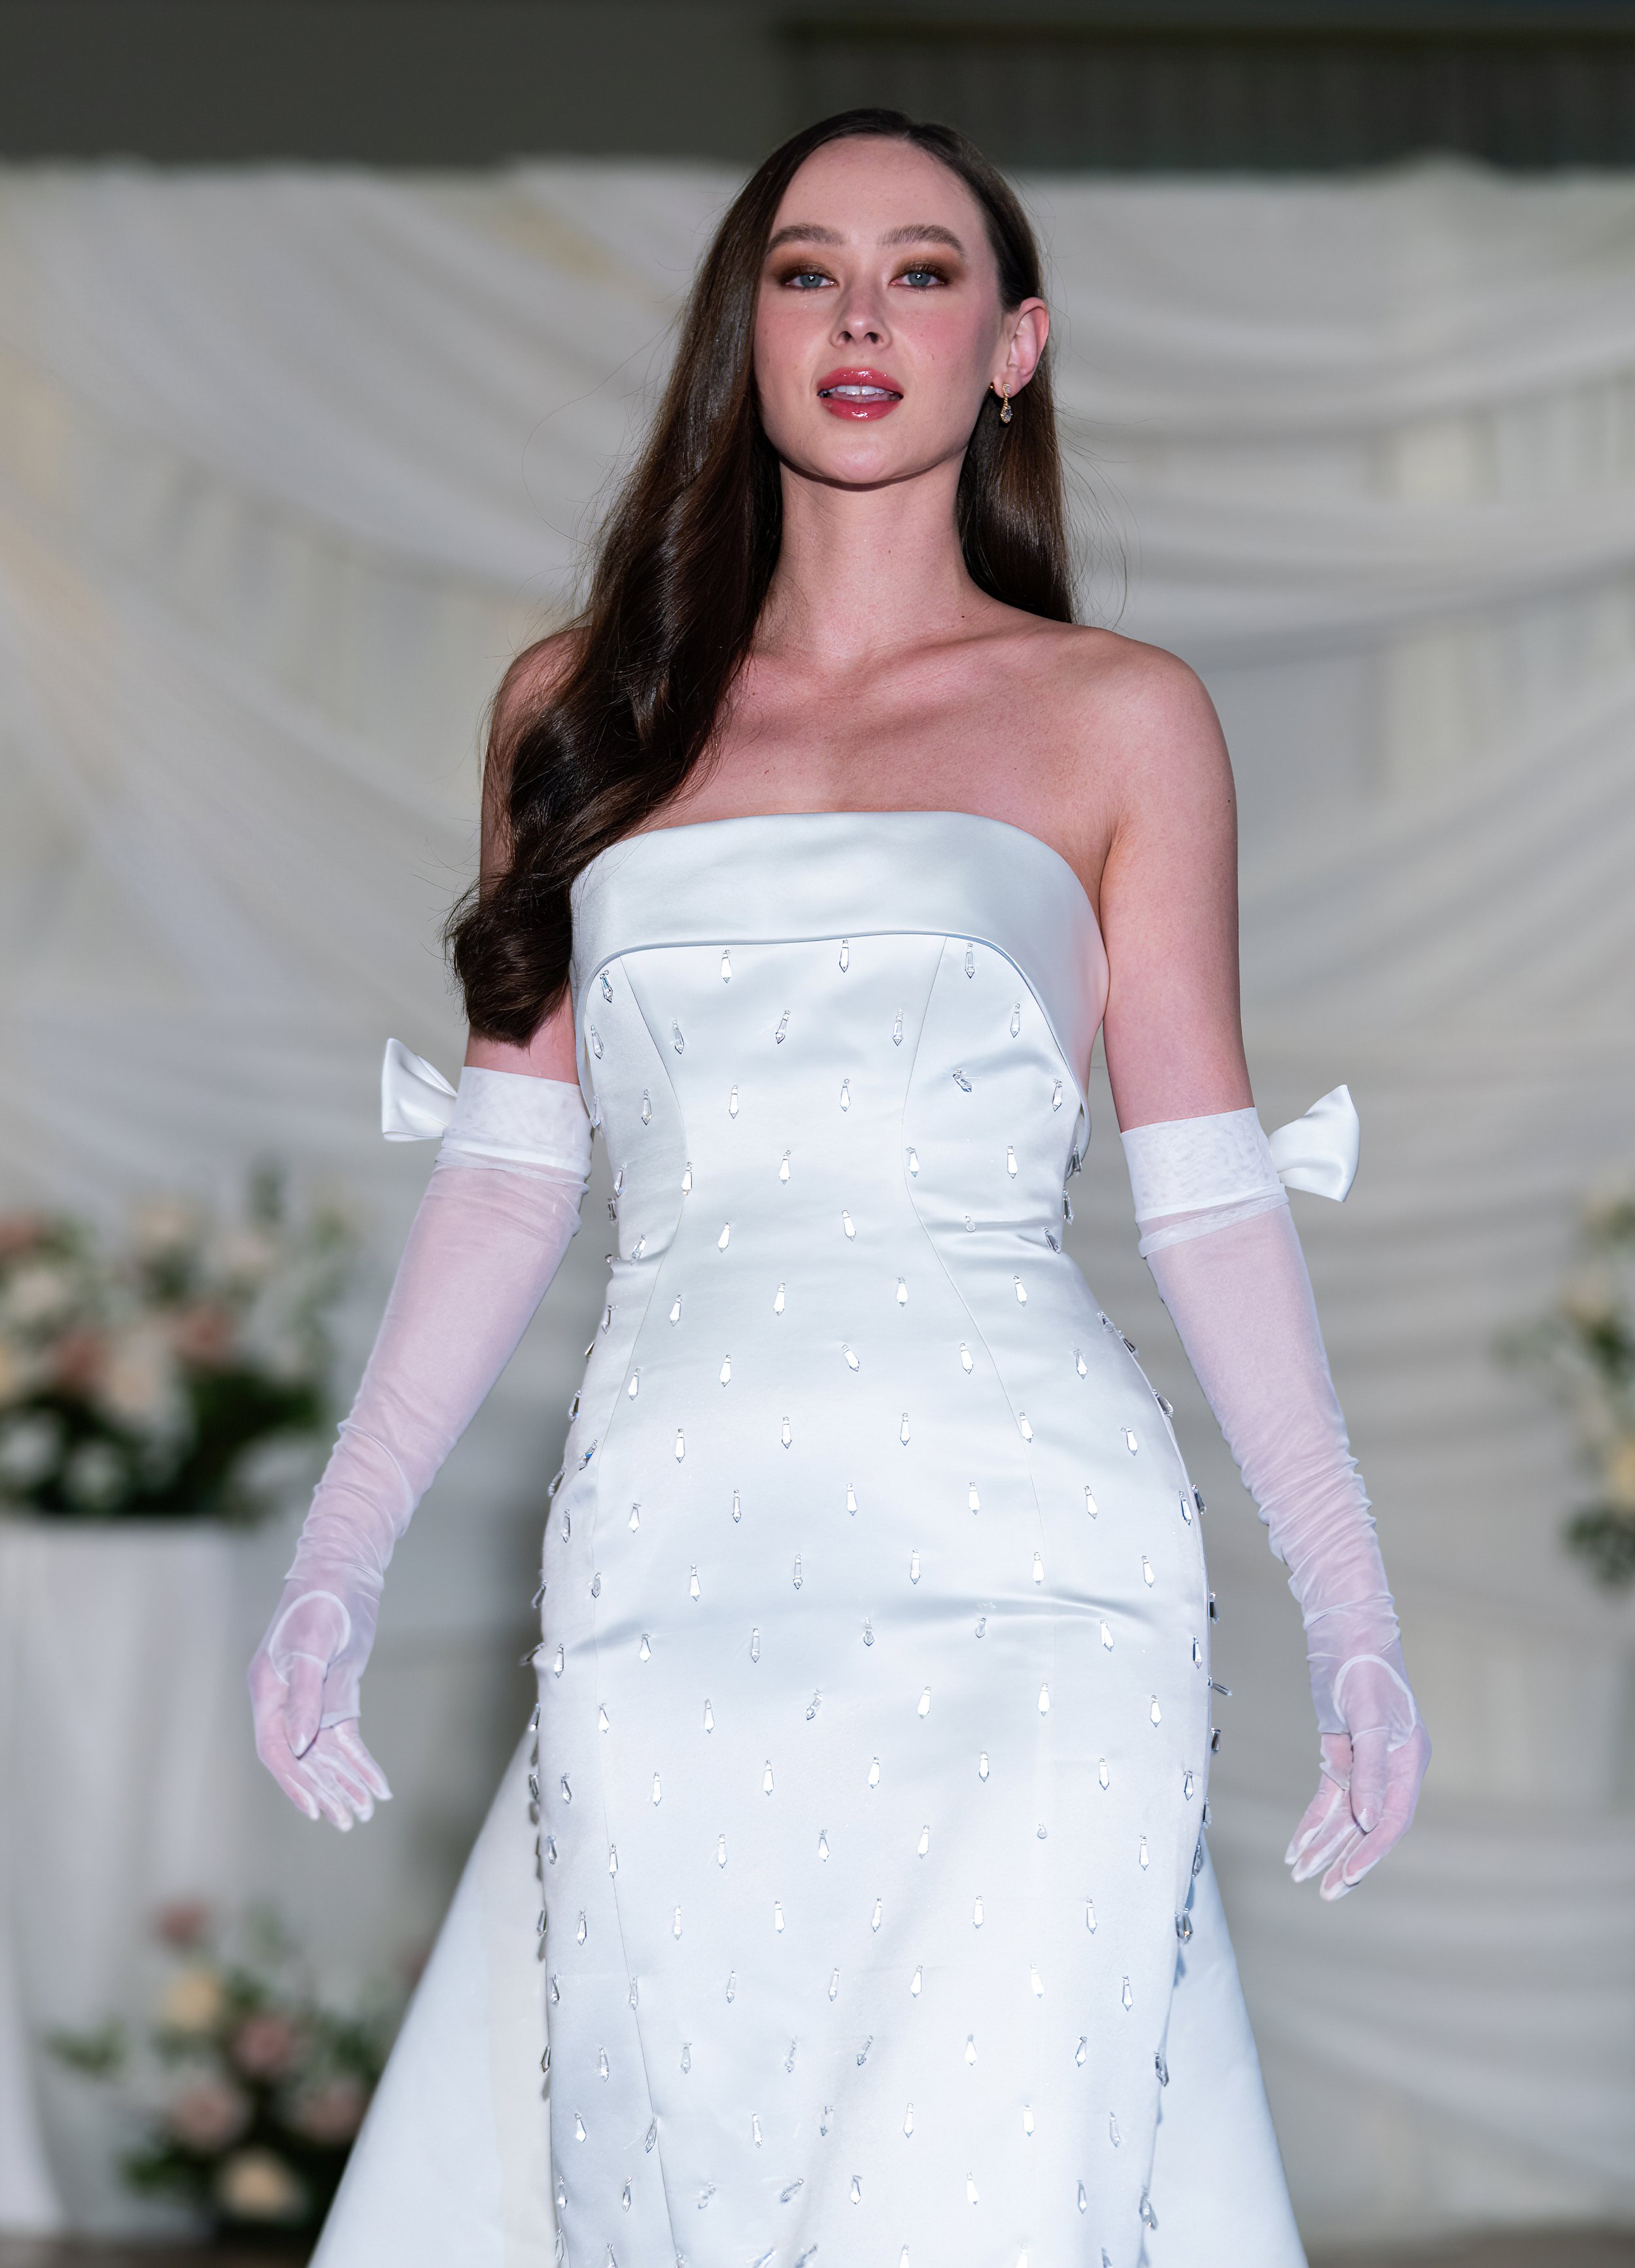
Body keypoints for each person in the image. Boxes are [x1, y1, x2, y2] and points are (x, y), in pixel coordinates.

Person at [249, 109, 1429, 2268]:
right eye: (806, 270)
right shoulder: (579, 714)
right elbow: (509, 1175)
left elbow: (1204, 1195)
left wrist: (1349, 1605)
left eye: (921, 271)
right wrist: (339, 1549)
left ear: (1013, 345)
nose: (861, 317)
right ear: (747, 328)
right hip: (670, 1557)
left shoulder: (1117, 720)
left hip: (1035, 1570)